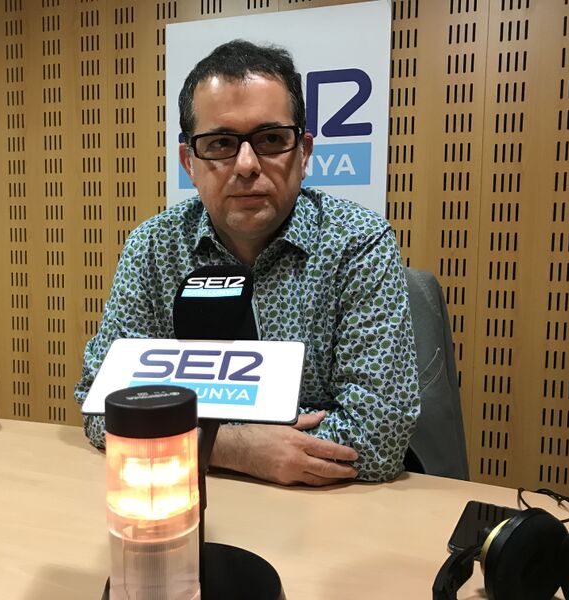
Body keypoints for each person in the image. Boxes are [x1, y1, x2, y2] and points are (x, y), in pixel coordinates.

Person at [74, 40, 419, 485]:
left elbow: (379, 437)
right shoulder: (152, 248)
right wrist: (235, 448)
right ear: (189, 163)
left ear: (304, 153)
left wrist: (177, 435)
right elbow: (101, 408)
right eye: (220, 143)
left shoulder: (358, 241)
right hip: (184, 494)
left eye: (271, 139)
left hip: (326, 507)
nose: (246, 164)